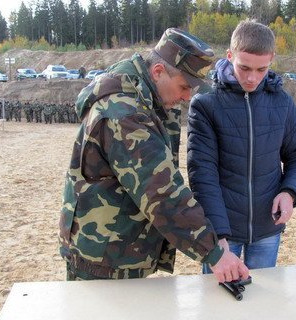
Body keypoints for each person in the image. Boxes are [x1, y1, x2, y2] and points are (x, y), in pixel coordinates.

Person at [58, 27, 249, 283]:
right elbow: (161, 191)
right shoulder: (124, 113)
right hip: (103, 259)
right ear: (158, 72)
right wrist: (214, 253)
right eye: (183, 86)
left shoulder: (146, 98)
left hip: (118, 249)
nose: (186, 96)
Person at [186, 19, 296, 271]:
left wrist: (290, 192)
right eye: (244, 68)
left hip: (268, 227)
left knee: (262, 303)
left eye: (261, 69)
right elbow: (203, 175)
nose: (252, 78)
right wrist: (218, 234)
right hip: (223, 230)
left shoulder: (282, 103)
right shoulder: (205, 104)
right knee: (217, 304)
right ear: (230, 55)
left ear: (272, 59)